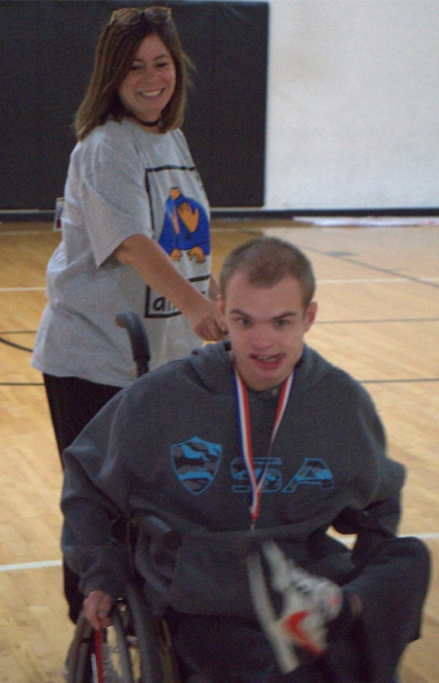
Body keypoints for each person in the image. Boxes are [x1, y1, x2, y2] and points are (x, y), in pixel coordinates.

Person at [61, 237, 430, 683]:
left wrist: (365, 588)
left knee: (409, 557)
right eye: (244, 320)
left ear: (308, 318)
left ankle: (342, 613)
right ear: (220, 313)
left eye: (281, 322)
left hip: (306, 584)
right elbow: (86, 480)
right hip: (202, 596)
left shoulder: (338, 401)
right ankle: (337, 645)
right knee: (287, 667)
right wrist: (102, 573)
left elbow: (379, 503)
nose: (263, 342)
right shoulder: (163, 398)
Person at [31, 6, 225, 622]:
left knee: (159, 505)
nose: (151, 77)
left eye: (161, 63)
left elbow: (185, 244)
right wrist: (197, 307)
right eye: (135, 66)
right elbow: (134, 243)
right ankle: (89, 636)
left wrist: (219, 298)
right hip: (93, 358)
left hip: (157, 360)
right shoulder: (105, 147)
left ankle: (149, 623)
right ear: (111, 76)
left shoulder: (170, 139)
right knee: (99, 508)